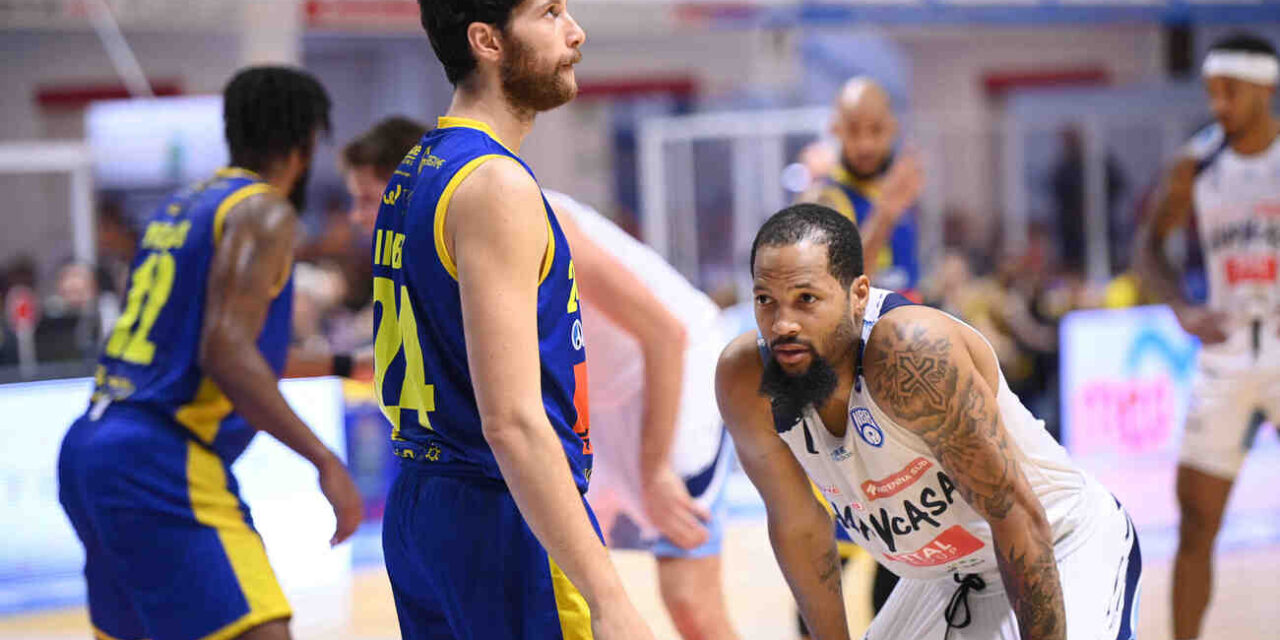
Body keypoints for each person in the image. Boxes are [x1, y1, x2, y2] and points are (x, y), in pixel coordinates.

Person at [716, 204, 1141, 640]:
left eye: (806, 299)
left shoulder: (909, 353)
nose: (782, 324)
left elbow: (1017, 518)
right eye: (765, 300)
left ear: (858, 295)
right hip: (945, 580)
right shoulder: (745, 380)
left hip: (1058, 545)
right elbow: (799, 528)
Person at [57, 66, 363, 640]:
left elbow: (215, 354)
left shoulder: (181, 209)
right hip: (158, 457)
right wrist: (324, 460)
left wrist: (346, 366)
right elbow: (226, 353)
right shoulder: (264, 211)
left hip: (91, 447)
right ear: (305, 143)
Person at [376, 2, 652, 638]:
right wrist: (610, 599)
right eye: (549, 13)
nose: (575, 31)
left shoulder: (415, 171)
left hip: (422, 500)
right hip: (499, 512)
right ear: (486, 40)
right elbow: (512, 422)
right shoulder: (497, 185)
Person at [1135, 32, 1280, 640]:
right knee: (1196, 523)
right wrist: (1179, 306)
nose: (1218, 102)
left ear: (1264, 88)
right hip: (1224, 353)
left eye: (1230, 90)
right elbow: (1146, 245)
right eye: (1211, 90)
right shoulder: (1195, 165)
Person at [547, 191, 738, 640]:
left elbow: (664, 333)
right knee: (560, 588)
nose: (362, 215)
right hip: (597, 401)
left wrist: (653, 470)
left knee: (691, 601)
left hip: (676, 371)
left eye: (367, 198)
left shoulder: (540, 217)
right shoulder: (430, 252)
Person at [802, 76, 924, 298]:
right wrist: (882, 219)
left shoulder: (897, 186)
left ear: (892, 128)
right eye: (853, 130)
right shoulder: (823, 198)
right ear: (836, 129)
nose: (865, 144)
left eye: (876, 130)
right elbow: (836, 294)